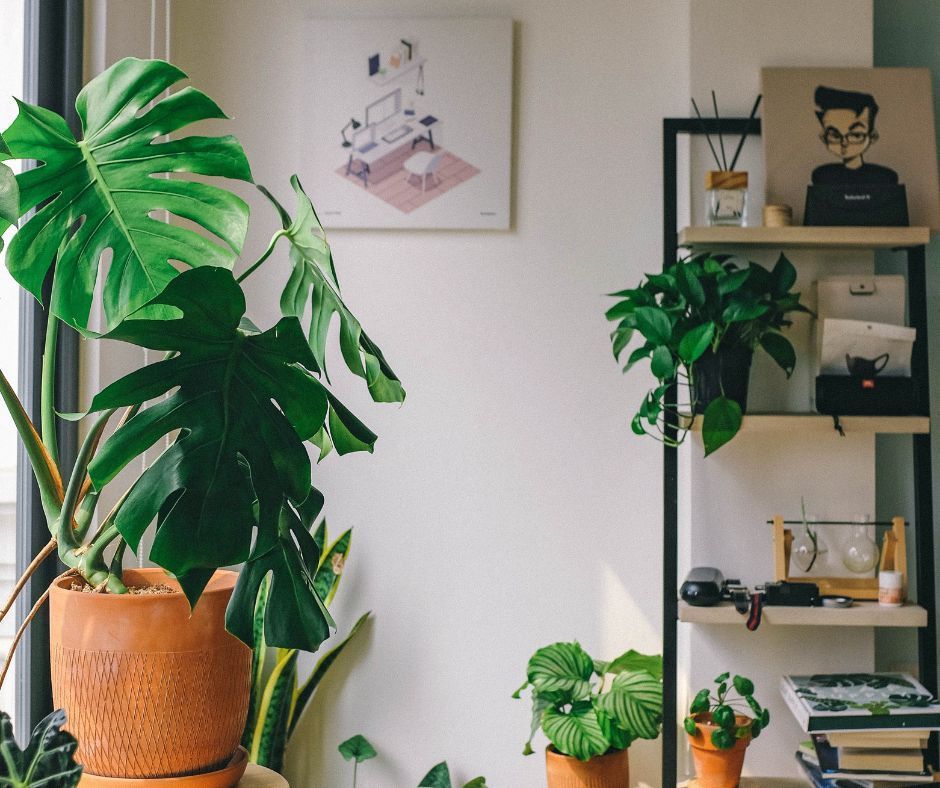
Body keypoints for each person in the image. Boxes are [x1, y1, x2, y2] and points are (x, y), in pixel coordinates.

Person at [811, 85, 899, 186]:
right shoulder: (823, 176)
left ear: (872, 136)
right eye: (835, 136)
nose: (844, 143)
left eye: (856, 135)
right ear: (823, 137)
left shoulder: (884, 177)